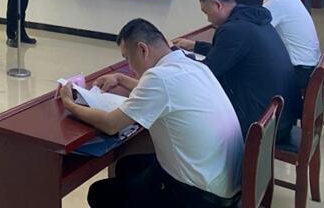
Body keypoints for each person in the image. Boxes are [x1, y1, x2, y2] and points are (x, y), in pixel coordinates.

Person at [60, 18, 243, 206]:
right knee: (125, 166)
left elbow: (110, 124)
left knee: (99, 193)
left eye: (128, 58)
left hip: (197, 196)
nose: (130, 68)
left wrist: (70, 104)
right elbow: (162, 93)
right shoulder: (192, 65)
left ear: (143, 49)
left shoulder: (159, 78)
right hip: (223, 181)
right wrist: (121, 79)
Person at [174, 0, 300, 140]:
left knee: (192, 114)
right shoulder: (254, 19)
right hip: (281, 115)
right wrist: (195, 46)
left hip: (261, 125)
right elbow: (229, 52)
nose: (208, 19)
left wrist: (179, 59)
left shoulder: (233, 30)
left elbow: (207, 72)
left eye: (206, 12)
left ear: (217, 5)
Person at [252, 0, 321, 95]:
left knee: (249, 74)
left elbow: (256, 31)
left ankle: (269, 108)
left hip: (300, 71)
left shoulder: (275, 1)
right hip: (311, 65)